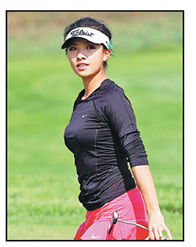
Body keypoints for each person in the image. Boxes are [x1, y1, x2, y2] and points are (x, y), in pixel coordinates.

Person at [61, 17, 172, 240]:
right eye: (73, 49)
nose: (80, 55)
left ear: (106, 53)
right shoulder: (82, 100)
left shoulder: (113, 97)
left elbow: (136, 153)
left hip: (120, 210)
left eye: (90, 48)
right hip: (94, 212)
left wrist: (154, 212)